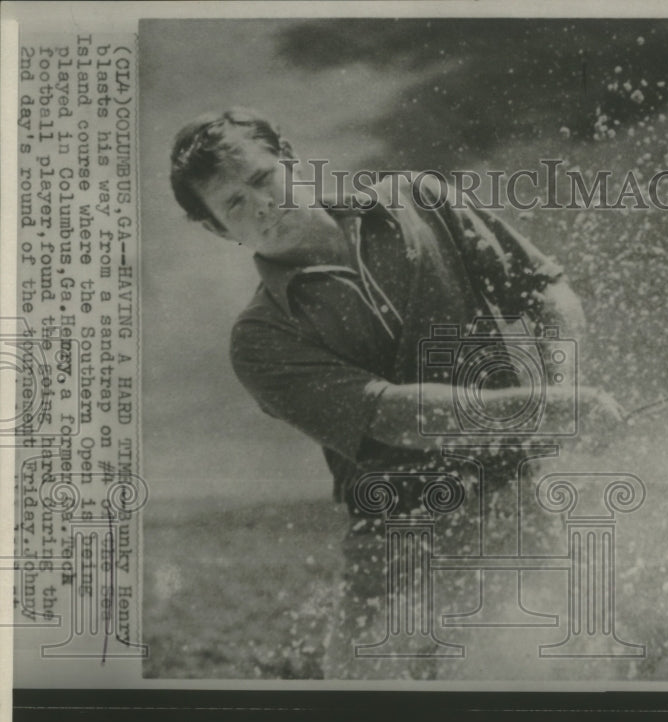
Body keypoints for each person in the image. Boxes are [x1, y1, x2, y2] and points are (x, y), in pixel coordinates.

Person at [169, 107, 624, 678]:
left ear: (288, 156)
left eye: (262, 179)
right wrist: (541, 411)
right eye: (234, 203)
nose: (261, 206)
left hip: (514, 505)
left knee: (541, 702)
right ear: (217, 229)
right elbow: (398, 415)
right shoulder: (261, 340)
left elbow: (544, 287)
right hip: (392, 546)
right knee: (362, 720)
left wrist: (564, 384)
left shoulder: (419, 199)